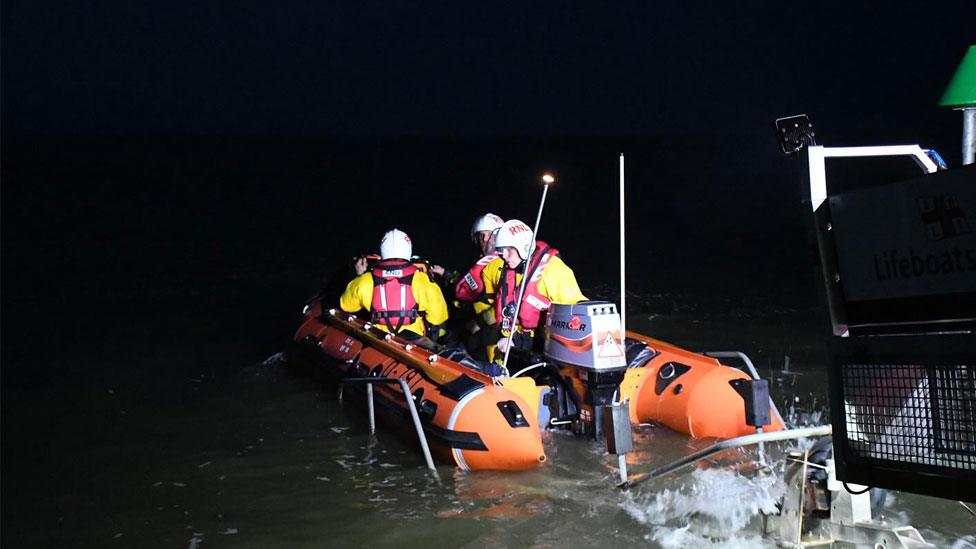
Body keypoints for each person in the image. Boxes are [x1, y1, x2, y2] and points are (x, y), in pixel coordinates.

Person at [486, 219, 586, 366]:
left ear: (524, 248)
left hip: (545, 347)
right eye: (502, 250)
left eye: (509, 250)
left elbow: (577, 316)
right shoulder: (511, 269)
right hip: (516, 345)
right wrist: (510, 340)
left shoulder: (553, 270)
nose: (504, 256)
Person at [339, 228, 449, 341]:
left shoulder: (365, 280)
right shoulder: (423, 281)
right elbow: (439, 317)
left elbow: (346, 305)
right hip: (414, 341)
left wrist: (359, 275)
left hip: (378, 338)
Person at [453, 213, 506, 360]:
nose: (482, 240)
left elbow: (506, 304)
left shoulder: (502, 265)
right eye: (479, 237)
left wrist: (479, 322)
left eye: (484, 235)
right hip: (473, 323)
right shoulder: (484, 261)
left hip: (490, 329)